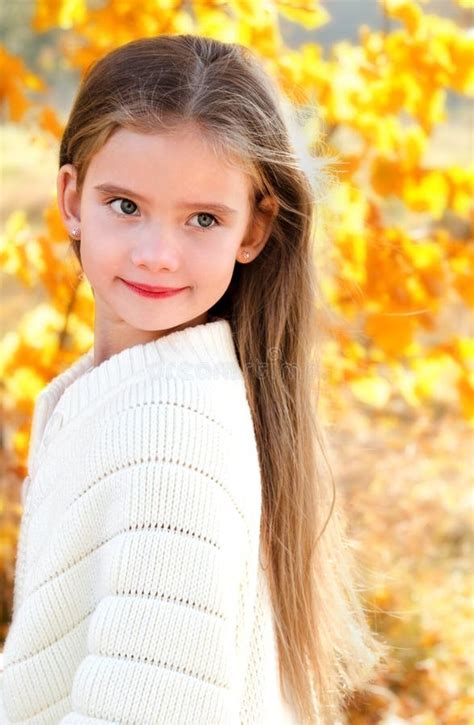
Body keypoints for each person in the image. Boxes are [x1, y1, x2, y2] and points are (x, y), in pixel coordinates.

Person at [0, 34, 388, 724]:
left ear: (254, 230)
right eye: (126, 206)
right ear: (71, 197)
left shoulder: (172, 432)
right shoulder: (104, 397)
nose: (156, 255)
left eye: (202, 218)